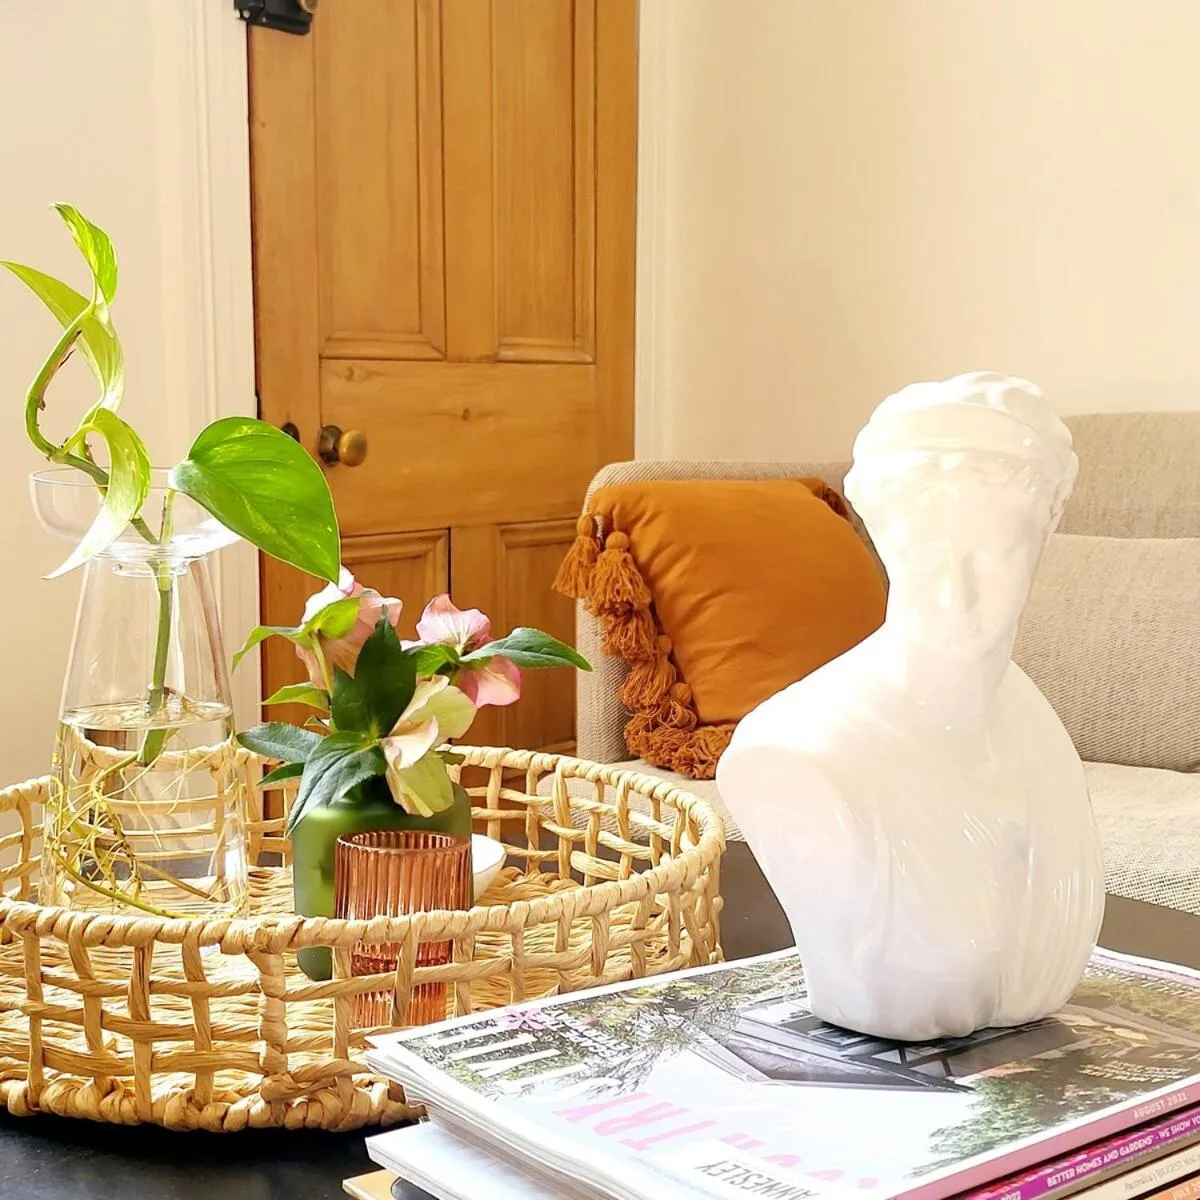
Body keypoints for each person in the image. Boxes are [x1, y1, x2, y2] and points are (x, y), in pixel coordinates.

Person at [717, 372, 1104, 1041]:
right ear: (885, 542)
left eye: (994, 553)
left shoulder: (1034, 729)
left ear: (1046, 535)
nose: (954, 592)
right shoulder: (797, 747)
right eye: (925, 553)